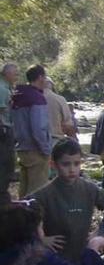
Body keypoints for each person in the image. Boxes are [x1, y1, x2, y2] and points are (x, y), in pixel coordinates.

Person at [11, 64, 52, 197]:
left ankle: (19, 216)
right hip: (36, 150)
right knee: (38, 191)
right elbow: (38, 128)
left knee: (24, 188)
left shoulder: (16, 95)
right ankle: (34, 217)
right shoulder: (36, 98)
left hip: (21, 148)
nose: (45, 80)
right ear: (40, 77)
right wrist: (46, 149)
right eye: (44, 77)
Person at [0, 63, 18, 205]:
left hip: (6, 129)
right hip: (4, 130)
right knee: (6, 163)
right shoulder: (2, 89)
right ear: (7, 74)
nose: (17, 76)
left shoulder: (6, 88)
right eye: (15, 74)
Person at [43, 77, 75, 145]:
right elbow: (68, 125)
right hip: (55, 141)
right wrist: (75, 143)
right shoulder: (59, 99)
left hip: (32, 144)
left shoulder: (30, 99)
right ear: (52, 86)